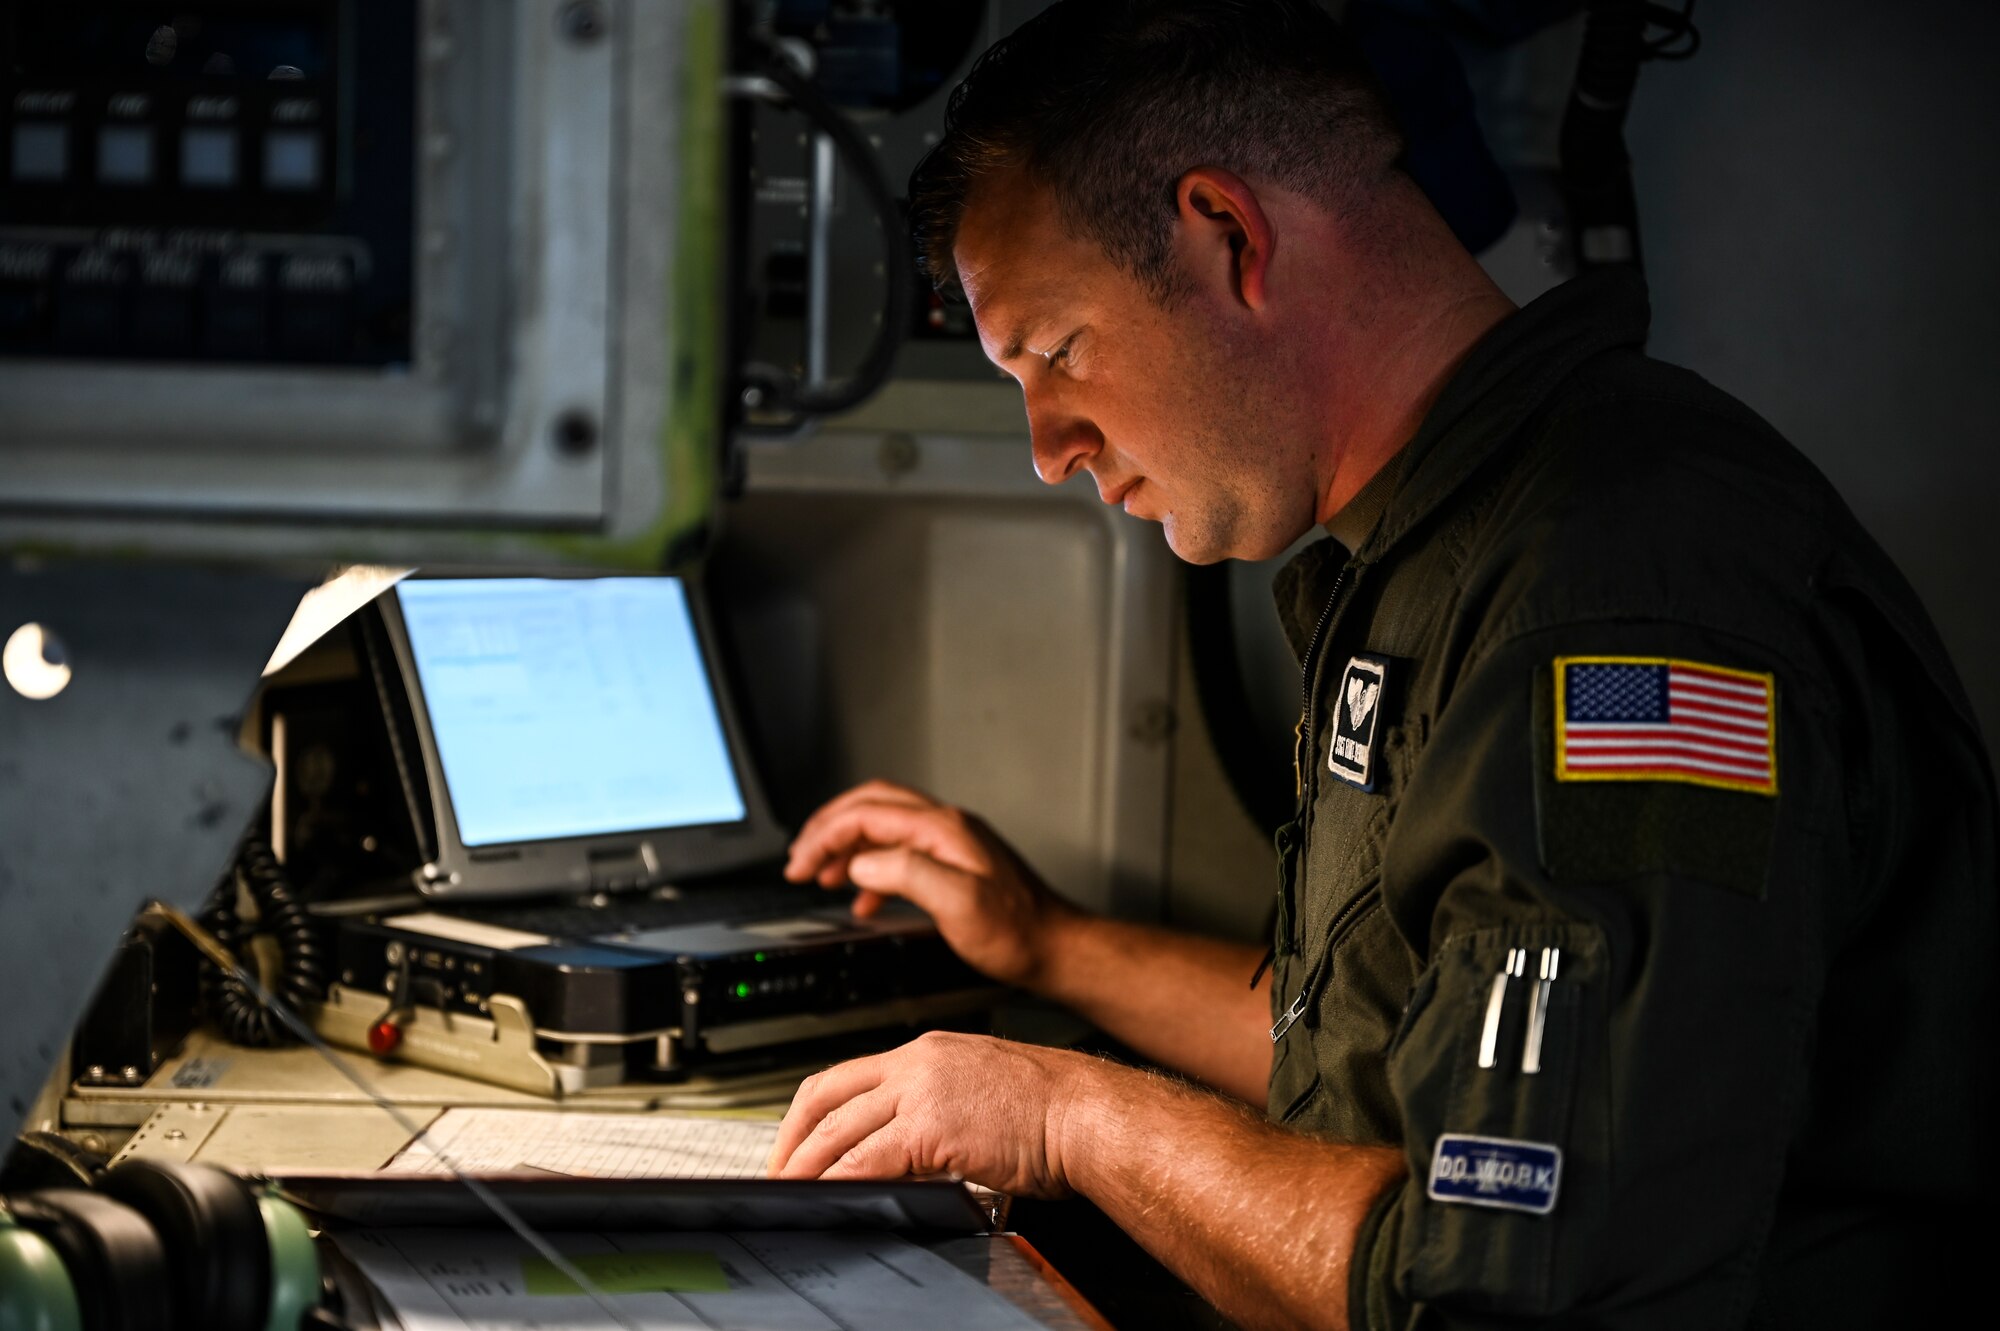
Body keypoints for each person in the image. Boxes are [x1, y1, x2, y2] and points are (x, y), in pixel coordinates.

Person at [765, 2, 1996, 1326]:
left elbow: (1506, 1291)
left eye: (1057, 352)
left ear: (1226, 235)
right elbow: (1421, 1058)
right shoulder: (1440, 550)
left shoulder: (1607, 602)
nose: (1047, 444)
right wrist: (1050, 947)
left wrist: (1063, 1113)